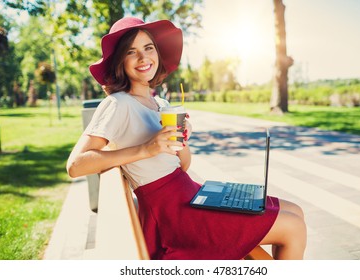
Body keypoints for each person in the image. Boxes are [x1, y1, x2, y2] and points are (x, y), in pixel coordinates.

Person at [66, 17, 307, 260]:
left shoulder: (160, 104)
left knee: (295, 212)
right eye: (131, 52)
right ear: (120, 61)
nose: (143, 58)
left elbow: (182, 165)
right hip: (174, 217)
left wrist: (182, 138)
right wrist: (146, 149)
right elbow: (75, 166)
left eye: (148, 48)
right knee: (293, 228)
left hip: (191, 194)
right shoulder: (118, 104)